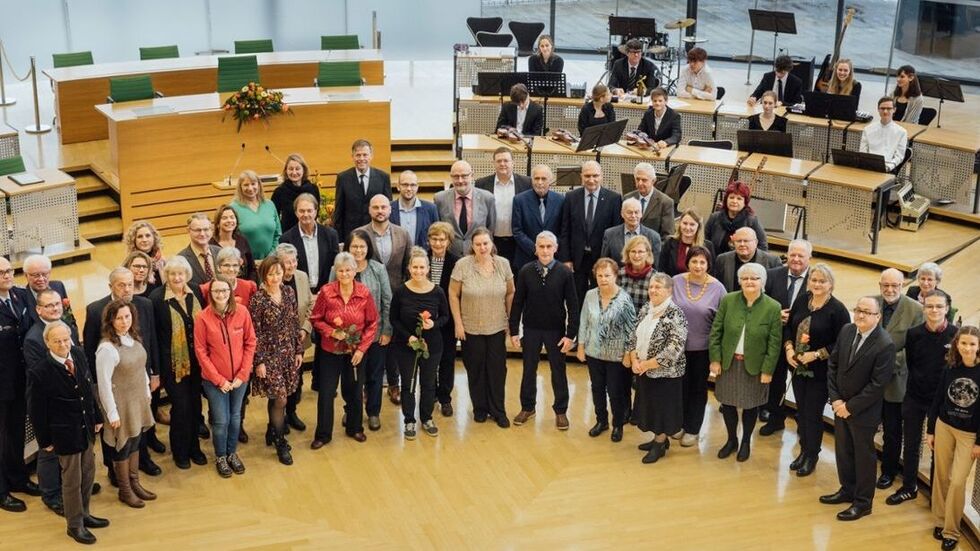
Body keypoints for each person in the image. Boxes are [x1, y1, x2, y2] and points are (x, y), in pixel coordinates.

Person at [27, 322, 108, 544]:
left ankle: (85, 513)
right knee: (72, 481)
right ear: (47, 343)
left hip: (86, 429)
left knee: (88, 474)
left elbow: (89, 389)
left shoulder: (79, 355)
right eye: (57, 341)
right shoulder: (40, 371)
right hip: (64, 435)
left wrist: (98, 418)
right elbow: (36, 411)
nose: (63, 345)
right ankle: (74, 525)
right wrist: (45, 441)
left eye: (66, 339)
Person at [820, 297, 895, 522]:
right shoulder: (847, 330)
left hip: (863, 412)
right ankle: (847, 490)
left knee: (864, 456)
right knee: (843, 451)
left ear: (878, 317)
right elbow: (833, 365)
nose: (860, 315)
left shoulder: (885, 343)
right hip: (839, 405)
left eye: (867, 312)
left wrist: (849, 407)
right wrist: (835, 400)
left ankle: (863, 503)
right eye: (858, 310)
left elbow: (877, 385)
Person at [82, 267, 161, 480]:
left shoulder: (144, 304)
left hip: (137, 380)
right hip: (113, 386)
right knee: (116, 434)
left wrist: (153, 373)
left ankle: (141, 463)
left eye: (130, 284)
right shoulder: (96, 309)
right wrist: (97, 387)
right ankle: (115, 472)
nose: (127, 289)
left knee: (137, 429)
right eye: (121, 285)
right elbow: (89, 350)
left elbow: (151, 340)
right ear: (111, 286)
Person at [887, 292, 957, 506]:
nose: (934, 310)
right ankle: (909, 487)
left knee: (939, 450)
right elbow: (912, 364)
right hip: (915, 397)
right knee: (911, 444)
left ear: (947, 309)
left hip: (943, 402)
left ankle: (937, 497)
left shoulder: (956, 335)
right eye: (929, 306)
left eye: (938, 307)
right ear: (923, 308)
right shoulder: (914, 334)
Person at [708, 263, 782, 462]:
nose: (750, 282)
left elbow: (774, 344)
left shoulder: (773, 307)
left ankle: (746, 441)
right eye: (746, 278)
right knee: (728, 403)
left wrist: (767, 370)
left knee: (751, 407)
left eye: (755, 278)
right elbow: (716, 332)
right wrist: (715, 359)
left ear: (762, 282)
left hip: (755, 367)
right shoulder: (728, 300)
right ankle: (731, 440)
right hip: (729, 364)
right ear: (740, 281)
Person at [783, 263, 850, 477]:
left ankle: (812, 455)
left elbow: (841, 343)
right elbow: (788, 327)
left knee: (812, 414)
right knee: (801, 412)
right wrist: (789, 348)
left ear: (831, 284)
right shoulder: (803, 299)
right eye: (814, 280)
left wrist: (816, 354)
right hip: (797, 368)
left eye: (822, 281)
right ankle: (803, 450)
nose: (817, 284)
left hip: (820, 373)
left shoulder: (837, 310)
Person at [508, 232, 578, 430]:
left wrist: (570, 334)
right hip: (531, 330)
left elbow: (573, 305)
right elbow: (518, 302)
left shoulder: (565, 272)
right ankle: (527, 407)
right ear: (535, 249)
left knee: (558, 371)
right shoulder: (525, 271)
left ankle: (561, 411)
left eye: (549, 246)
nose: (545, 250)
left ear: (555, 248)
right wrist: (514, 331)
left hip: (556, 332)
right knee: (529, 370)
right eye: (541, 246)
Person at [23, 288, 84, 514]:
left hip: (73, 403)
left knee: (71, 451)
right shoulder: (33, 338)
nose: (55, 308)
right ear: (38, 309)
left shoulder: (65, 324)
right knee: (49, 453)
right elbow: (41, 379)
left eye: (57, 304)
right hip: (52, 408)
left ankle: (71, 485)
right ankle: (50, 494)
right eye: (48, 306)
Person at [310, 253, 379, 448]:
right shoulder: (326, 291)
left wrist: (362, 350)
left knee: (355, 391)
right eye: (341, 270)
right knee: (326, 393)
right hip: (329, 351)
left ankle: (355, 428)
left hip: (354, 353)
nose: (345, 273)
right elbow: (316, 318)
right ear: (335, 271)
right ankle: (323, 434)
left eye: (348, 270)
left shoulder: (364, 293)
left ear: (355, 271)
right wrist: (332, 332)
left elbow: (372, 323)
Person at [449, 228, 515, 428]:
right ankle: (480, 408)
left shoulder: (503, 264)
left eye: (485, 243)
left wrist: (510, 322)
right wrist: (458, 324)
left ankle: (498, 411)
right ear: (472, 246)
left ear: (492, 243)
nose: (482, 247)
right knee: (475, 370)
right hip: (470, 328)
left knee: (497, 371)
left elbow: (511, 292)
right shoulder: (462, 265)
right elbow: (453, 294)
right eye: (478, 244)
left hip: (496, 327)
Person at [194, 275, 256, 478]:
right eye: (216, 291)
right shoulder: (202, 318)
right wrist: (219, 380)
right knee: (221, 420)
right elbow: (201, 352)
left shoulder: (243, 312)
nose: (221, 294)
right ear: (210, 295)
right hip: (214, 381)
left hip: (240, 379)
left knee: (236, 417)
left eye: (224, 291)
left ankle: (232, 453)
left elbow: (250, 342)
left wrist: (242, 374)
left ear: (230, 293)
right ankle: (221, 456)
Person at [148, 256, 207, 471]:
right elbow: (154, 336)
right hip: (173, 366)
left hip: (198, 362)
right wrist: (158, 370)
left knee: (195, 406)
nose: (176, 277)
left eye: (180, 273)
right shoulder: (157, 298)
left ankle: (194, 448)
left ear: (187, 274)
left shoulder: (196, 291)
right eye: (172, 274)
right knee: (181, 408)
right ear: (166, 276)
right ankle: (180, 451)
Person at [95, 299, 155, 508]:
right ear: (110, 320)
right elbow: (103, 384)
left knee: (135, 442)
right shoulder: (107, 348)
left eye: (127, 316)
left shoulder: (132, 337)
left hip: (137, 401)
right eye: (119, 318)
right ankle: (125, 490)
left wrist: (147, 390)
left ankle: (135, 482)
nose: (123, 321)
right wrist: (112, 414)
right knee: (122, 446)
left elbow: (141, 368)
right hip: (120, 404)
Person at [330, 230, 392, 428]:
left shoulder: (378, 269)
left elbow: (387, 301)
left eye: (362, 246)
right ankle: (351, 410)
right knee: (351, 378)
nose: (358, 250)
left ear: (368, 248)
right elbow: (330, 300)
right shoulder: (337, 269)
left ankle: (373, 412)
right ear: (347, 248)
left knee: (374, 375)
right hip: (348, 337)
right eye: (354, 246)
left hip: (374, 334)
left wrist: (387, 330)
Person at [925, 326, 980, 550]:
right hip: (944, 427)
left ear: (979, 347)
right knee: (940, 475)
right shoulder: (951, 368)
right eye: (963, 343)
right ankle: (940, 521)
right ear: (957, 344)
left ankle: (952, 531)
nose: (967, 348)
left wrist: (979, 442)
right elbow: (938, 397)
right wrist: (930, 430)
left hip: (969, 435)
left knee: (957, 481)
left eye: (972, 344)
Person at [627, 274, 688, 464]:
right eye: (651, 287)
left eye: (658, 287)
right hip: (644, 370)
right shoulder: (646, 308)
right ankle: (658, 438)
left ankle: (660, 445)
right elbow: (633, 335)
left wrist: (645, 365)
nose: (653, 290)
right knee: (650, 407)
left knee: (663, 410)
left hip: (666, 374)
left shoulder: (676, 314)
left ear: (669, 291)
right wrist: (633, 358)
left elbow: (674, 349)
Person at [390, 248, 450, 439]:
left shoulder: (438, 291)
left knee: (428, 383)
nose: (418, 271)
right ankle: (409, 420)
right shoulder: (400, 291)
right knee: (408, 384)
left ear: (428, 268)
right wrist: (409, 337)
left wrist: (434, 323)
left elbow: (445, 317)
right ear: (409, 268)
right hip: (406, 345)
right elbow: (394, 319)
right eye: (414, 267)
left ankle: (426, 417)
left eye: (421, 267)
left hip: (432, 346)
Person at [249, 256, 303, 466]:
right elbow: (255, 332)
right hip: (269, 356)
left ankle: (271, 431)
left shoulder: (289, 292)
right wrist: (259, 361)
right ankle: (281, 442)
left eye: (278, 273)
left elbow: (294, 322)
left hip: (288, 353)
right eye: (270, 273)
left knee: (280, 396)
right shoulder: (258, 299)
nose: (275, 277)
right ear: (264, 274)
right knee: (280, 398)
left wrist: (298, 350)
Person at [671, 246, 726, 447]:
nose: (698, 265)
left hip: (702, 349)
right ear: (688, 263)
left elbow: (722, 323)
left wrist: (716, 356)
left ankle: (693, 428)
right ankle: (678, 423)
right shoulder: (676, 281)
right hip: (676, 348)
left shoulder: (718, 288)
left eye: (702, 262)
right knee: (679, 387)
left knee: (697, 389)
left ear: (708, 265)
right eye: (694, 261)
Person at [577, 257, 636, 442]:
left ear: (615, 276)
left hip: (616, 356)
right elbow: (584, 321)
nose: (603, 279)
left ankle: (617, 424)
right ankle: (601, 421)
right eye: (600, 275)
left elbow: (631, 330)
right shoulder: (590, 295)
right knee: (596, 389)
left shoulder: (624, 299)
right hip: (594, 352)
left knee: (615, 392)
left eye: (607, 275)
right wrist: (580, 346)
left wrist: (628, 354)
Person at [876, 268, 924, 491]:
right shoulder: (872, 303)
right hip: (868, 381)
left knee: (892, 430)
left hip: (895, 381)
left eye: (895, 285)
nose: (890, 289)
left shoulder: (915, 310)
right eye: (886, 285)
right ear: (880, 285)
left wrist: (883, 364)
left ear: (903, 285)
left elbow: (914, 349)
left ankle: (888, 471)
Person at [759, 239, 813, 436]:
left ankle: (804, 422)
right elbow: (761, 304)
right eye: (793, 255)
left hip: (803, 343)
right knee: (775, 382)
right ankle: (776, 419)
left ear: (809, 258)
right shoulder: (773, 275)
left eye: (801, 256)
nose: (796, 259)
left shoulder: (816, 280)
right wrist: (775, 315)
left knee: (801, 385)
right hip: (775, 339)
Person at [558, 160, 623, 309]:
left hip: (601, 258)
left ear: (601, 177)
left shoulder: (613, 199)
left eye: (595, 175)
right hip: (577, 259)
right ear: (581, 176)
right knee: (576, 300)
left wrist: (611, 262)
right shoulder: (571, 197)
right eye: (587, 175)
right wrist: (566, 258)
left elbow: (616, 233)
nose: (591, 179)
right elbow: (565, 230)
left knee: (601, 299)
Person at [0, 256, 35, 513]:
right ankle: (2, 491)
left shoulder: (21, 296)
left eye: (9, 270)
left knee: (15, 434)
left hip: (20, 380)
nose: (7, 275)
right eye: (1, 272)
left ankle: (18, 478)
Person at [275, 244, 314, 435]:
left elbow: (310, 305)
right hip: (278, 343)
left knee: (296, 380)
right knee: (281, 382)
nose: (290, 265)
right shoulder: (272, 279)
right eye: (286, 262)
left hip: (300, 338)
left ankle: (292, 413)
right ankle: (277, 419)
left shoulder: (302, 276)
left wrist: (305, 329)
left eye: (293, 261)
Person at [476, 147, 531, 273]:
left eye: (506, 160)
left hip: (518, 242)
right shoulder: (482, 184)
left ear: (513, 162)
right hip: (493, 241)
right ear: (493, 163)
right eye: (499, 161)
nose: (502, 164)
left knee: (517, 275)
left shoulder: (526, 183)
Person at [427, 223, 460, 416]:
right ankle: (430, 395)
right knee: (428, 360)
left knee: (447, 359)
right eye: (434, 239)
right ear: (429, 240)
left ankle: (445, 398)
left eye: (442, 239)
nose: (438, 243)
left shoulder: (456, 262)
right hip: (425, 320)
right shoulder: (422, 259)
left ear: (448, 241)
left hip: (447, 320)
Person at [332, 139, 392, 245]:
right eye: (358, 155)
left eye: (365, 155)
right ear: (352, 156)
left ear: (371, 156)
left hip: (377, 235)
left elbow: (388, 209)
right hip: (351, 236)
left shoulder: (383, 177)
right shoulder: (343, 178)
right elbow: (339, 212)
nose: (361, 159)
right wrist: (340, 240)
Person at [279, 192, 340, 294]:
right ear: (296, 213)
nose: (306, 214)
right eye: (302, 211)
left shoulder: (331, 235)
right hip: (298, 293)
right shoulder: (286, 239)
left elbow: (335, 265)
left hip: (326, 291)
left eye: (309, 211)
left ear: (315, 212)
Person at [434, 160, 496, 258]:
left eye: (464, 176)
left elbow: (491, 229)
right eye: (456, 176)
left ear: (472, 175)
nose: (460, 180)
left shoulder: (487, 198)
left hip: (477, 256)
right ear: (451, 177)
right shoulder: (440, 199)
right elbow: (437, 230)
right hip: (449, 257)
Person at [511, 164, 564, 269]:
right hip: (526, 257)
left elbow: (563, 229)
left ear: (550, 180)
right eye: (536, 178)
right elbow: (517, 230)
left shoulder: (560, 200)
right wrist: (536, 249)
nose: (540, 182)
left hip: (553, 258)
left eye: (544, 179)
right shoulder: (519, 200)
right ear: (532, 180)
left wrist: (550, 248)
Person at [356, 194, 412, 290]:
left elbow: (408, 264)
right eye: (375, 207)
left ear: (390, 209)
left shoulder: (403, 234)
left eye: (383, 207)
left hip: (396, 291)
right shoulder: (358, 234)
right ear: (369, 210)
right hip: (367, 292)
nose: (380, 211)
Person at [705, 180, 769, 255]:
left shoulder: (752, 222)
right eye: (731, 197)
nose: (734, 201)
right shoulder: (714, 218)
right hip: (716, 263)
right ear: (726, 199)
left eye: (739, 199)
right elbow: (704, 243)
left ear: (745, 202)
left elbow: (763, 248)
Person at [230, 169, 282, 261]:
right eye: (246, 185)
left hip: (271, 261)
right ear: (240, 187)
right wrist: (250, 261)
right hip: (246, 262)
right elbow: (231, 237)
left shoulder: (269, 204)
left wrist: (270, 257)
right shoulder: (233, 208)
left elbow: (278, 234)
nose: (250, 188)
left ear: (259, 185)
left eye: (253, 184)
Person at [712, 227, 780, 292]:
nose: (742, 244)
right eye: (738, 241)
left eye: (746, 241)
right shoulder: (722, 260)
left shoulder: (773, 262)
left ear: (756, 242)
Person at [601, 198, 661, 265]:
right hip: (618, 274)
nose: (633, 216)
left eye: (636, 212)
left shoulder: (653, 236)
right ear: (622, 214)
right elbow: (605, 263)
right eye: (629, 212)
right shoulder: (610, 234)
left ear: (641, 214)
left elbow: (656, 266)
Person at [623, 162, 674, 239]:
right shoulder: (627, 198)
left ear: (653, 181)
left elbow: (667, 236)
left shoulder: (665, 202)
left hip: (652, 248)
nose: (640, 183)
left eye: (644, 180)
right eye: (637, 179)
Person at [271, 153, 319, 233]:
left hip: (309, 233)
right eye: (291, 169)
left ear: (303, 170)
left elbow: (316, 212)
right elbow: (274, 218)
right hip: (287, 235)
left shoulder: (313, 189)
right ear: (286, 171)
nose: (294, 172)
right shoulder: (279, 192)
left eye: (297, 169)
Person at [390, 170, 439, 249]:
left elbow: (437, 237)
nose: (409, 188)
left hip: (423, 259)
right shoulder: (388, 209)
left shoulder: (431, 209)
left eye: (413, 185)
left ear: (417, 187)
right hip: (396, 260)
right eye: (405, 185)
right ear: (398, 186)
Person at [659, 208, 715, 277]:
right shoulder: (669, 242)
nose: (688, 228)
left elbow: (710, 273)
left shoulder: (707, 246)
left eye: (692, 224)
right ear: (680, 224)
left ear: (698, 226)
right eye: (685, 223)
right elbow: (661, 269)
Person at [859, 97, 909, 172]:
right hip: (868, 168)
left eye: (889, 109)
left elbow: (899, 157)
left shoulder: (902, 132)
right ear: (878, 110)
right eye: (882, 108)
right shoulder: (867, 129)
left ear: (894, 110)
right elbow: (862, 152)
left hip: (888, 169)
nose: (885, 111)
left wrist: (888, 167)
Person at [21, 254, 72, 326]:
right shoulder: (21, 297)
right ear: (26, 275)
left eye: (44, 274)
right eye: (36, 275)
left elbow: (69, 318)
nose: (41, 279)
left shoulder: (58, 286)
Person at [211, 204, 256, 281]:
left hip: (244, 287)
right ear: (218, 223)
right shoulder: (211, 244)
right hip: (221, 289)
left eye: (232, 217)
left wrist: (250, 285)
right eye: (225, 218)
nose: (229, 220)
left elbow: (252, 268)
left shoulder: (242, 240)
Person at [177, 213, 222, 288]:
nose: (202, 234)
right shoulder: (180, 259)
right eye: (197, 230)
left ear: (211, 230)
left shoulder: (220, 252)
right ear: (188, 230)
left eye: (206, 229)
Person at [616, 235, 657, 315]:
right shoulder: (620, 274)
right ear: (628, 253)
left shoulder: (655, 277)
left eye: (640, 252)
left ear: (647, 253)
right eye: (633, 251)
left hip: (645, 323)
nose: (636, 255)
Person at [124, 221, 166, 293]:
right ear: (134, 240)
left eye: (148, 235)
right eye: (140, 237)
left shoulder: (161, 261)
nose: (144, 240)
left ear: (154, 238)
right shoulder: (130, 263)